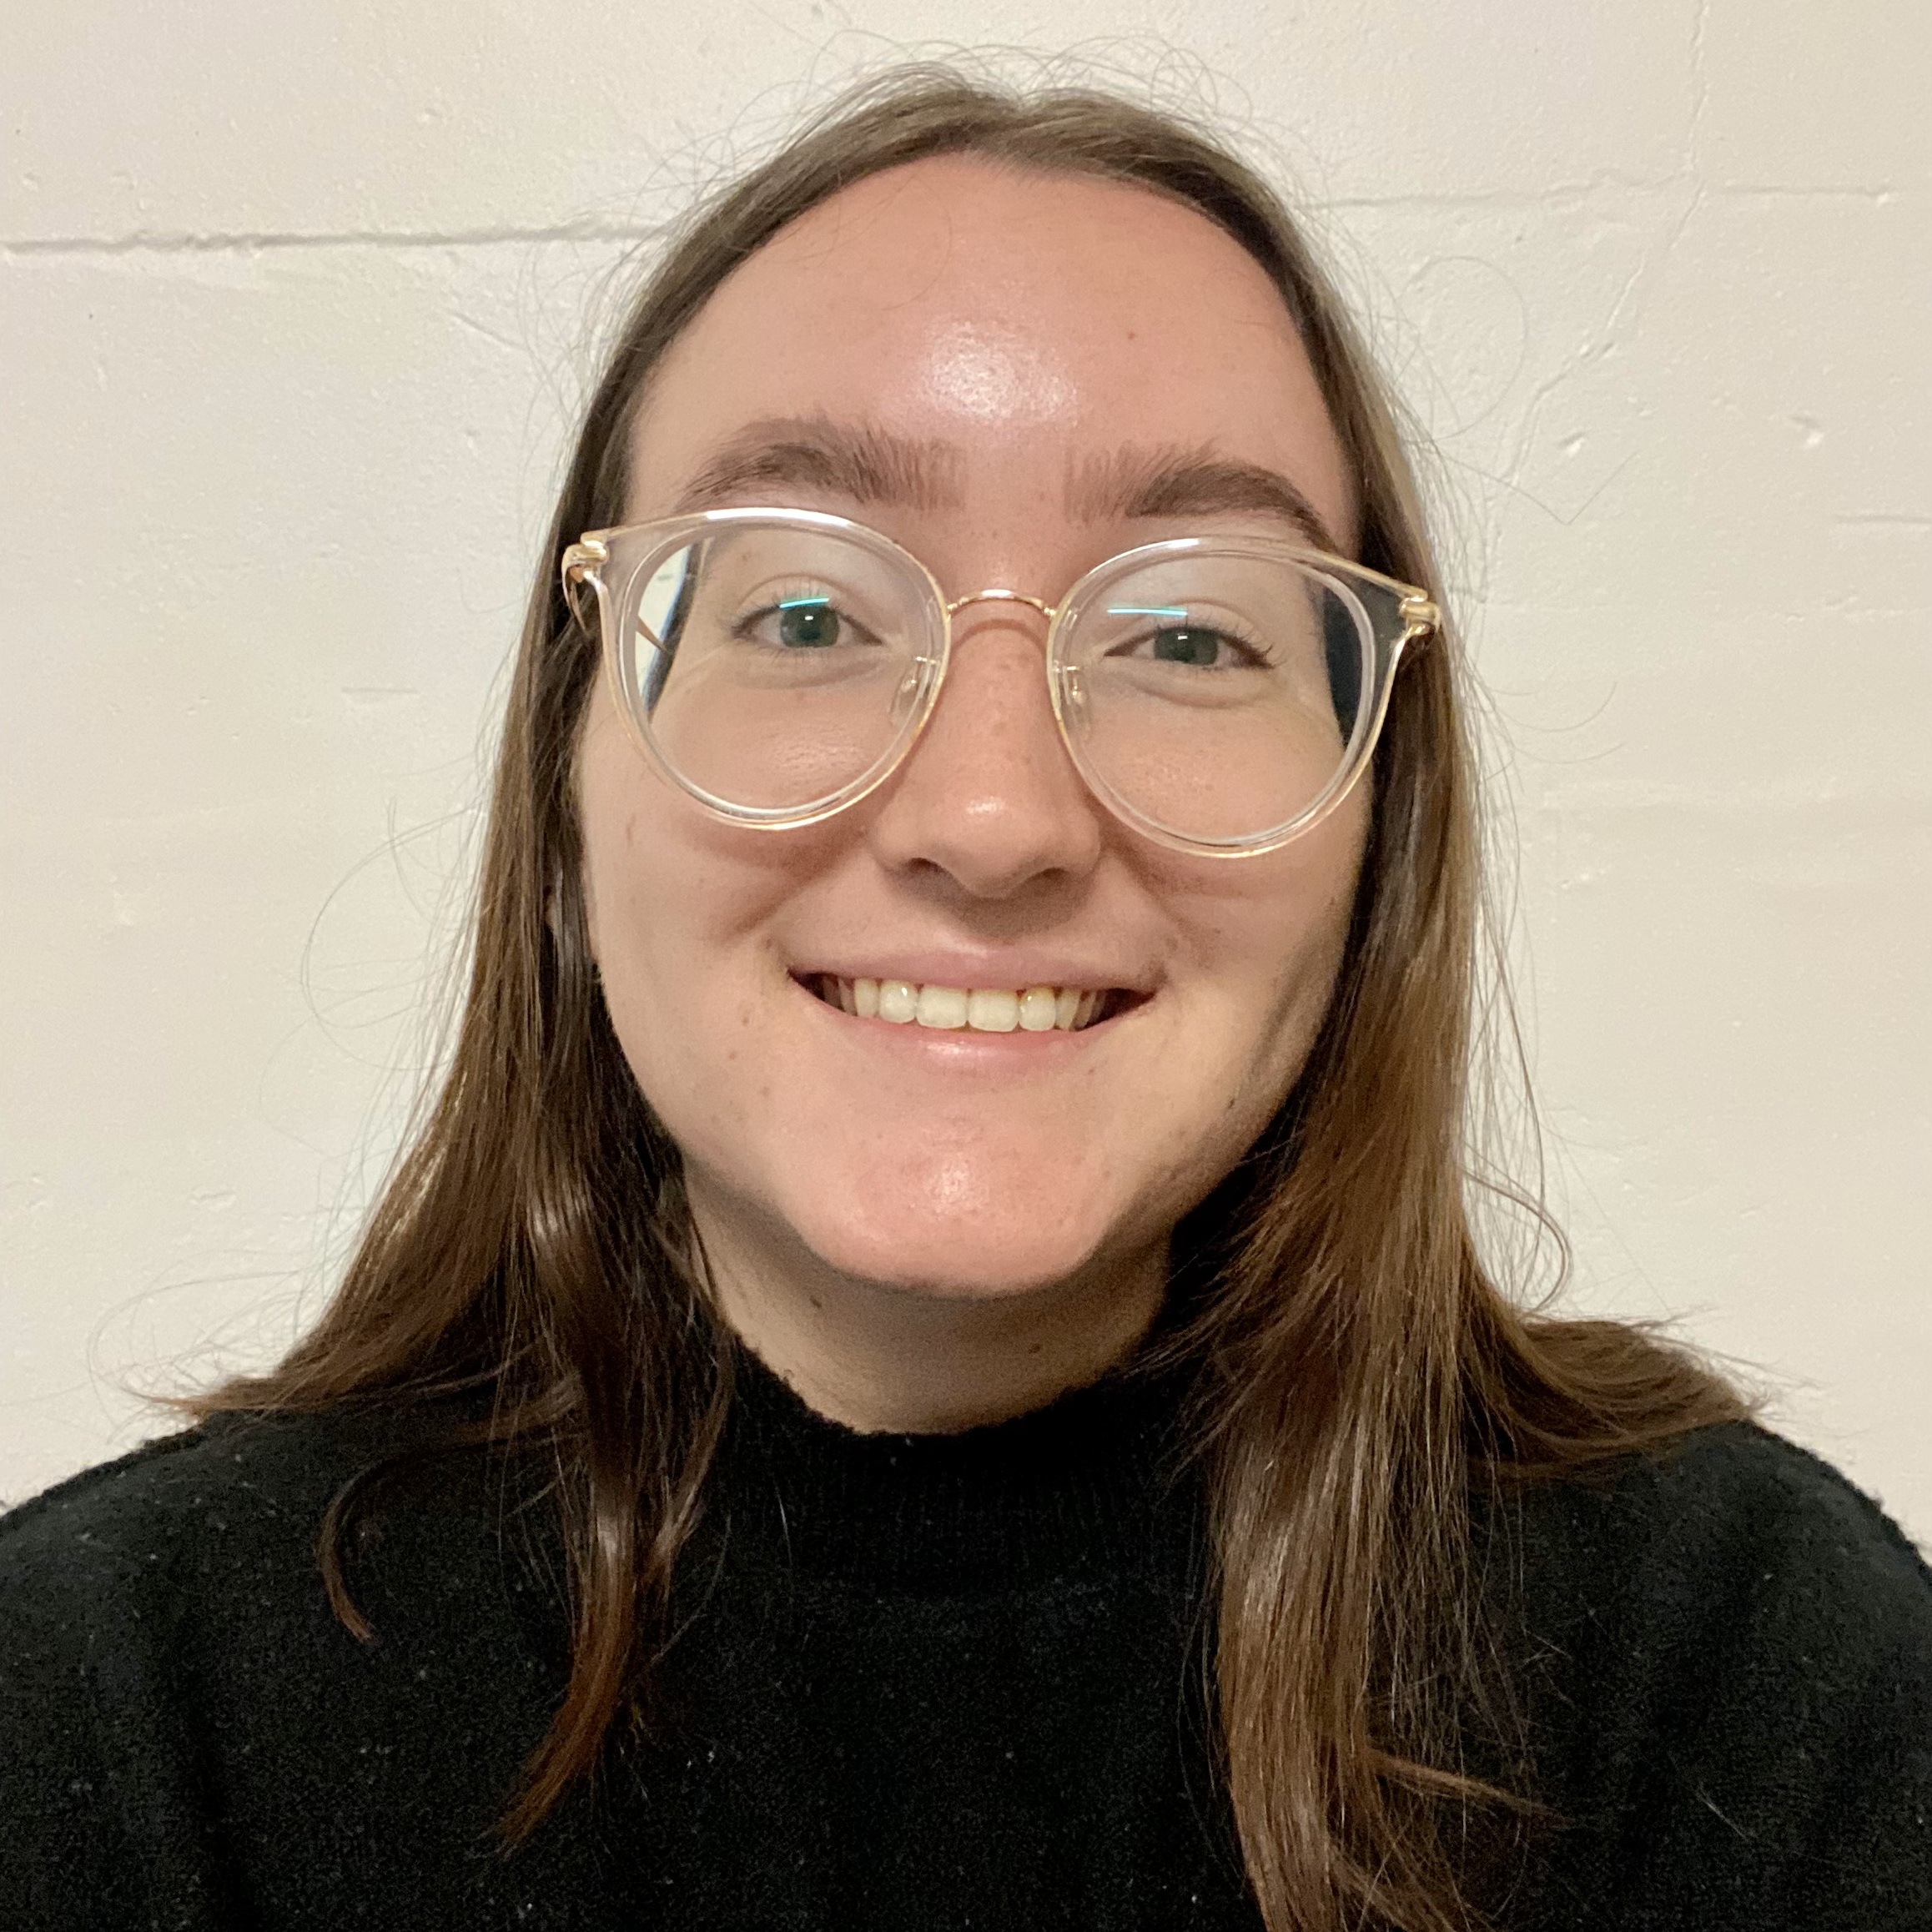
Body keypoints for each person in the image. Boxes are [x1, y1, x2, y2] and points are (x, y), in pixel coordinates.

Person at [2, 68, 1927, 1932]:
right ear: (571, 786)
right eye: (810, 614)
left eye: (1187, 632)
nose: (993, 816)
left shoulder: (1750, 1689)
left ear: (1378, 833)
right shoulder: (115, 1721)